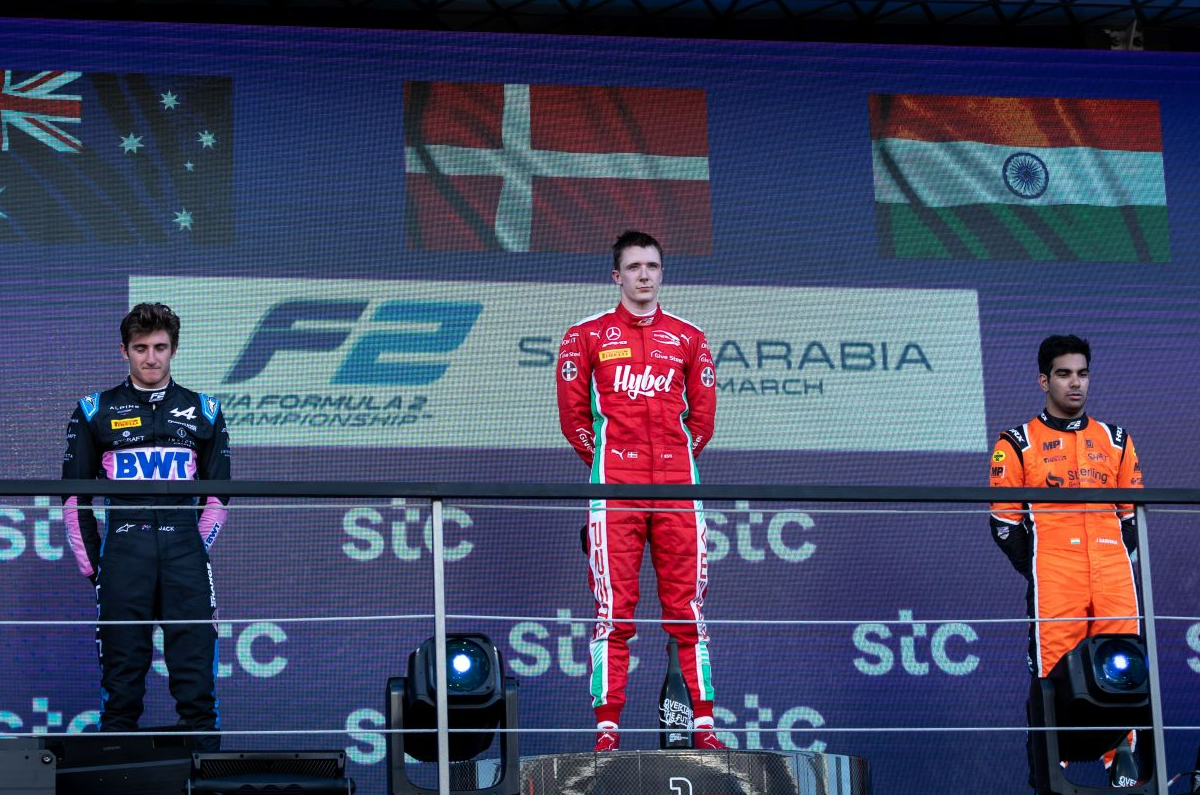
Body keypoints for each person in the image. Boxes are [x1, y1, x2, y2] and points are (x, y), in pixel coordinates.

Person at [557, 230, 722, 752]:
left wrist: (674, 462)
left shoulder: (690, 337)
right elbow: (574, 420)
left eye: (652, 265)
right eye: (634, 267)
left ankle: (704, 727)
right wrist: (611, 463)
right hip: (615, 491)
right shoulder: (584, 335)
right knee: (614, 613)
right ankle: (607, 732)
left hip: (678, 490)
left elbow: (703, 421)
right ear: (616, 276)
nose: (644, 275)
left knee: (688, 612)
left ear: (662, 273)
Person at [62, 303, 230, 750]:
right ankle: (115, 775)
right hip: (123, 553)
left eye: (160, 348)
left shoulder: (206, 410)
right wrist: (95, 568)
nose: (151, 358)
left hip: (185, 553)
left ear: (174, 349)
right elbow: (75, 499)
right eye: (141, 348)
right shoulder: (93, 409)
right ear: (124, 351)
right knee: (121, 687)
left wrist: (195, 546)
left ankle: (204, 775)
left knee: (196, 684)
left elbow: (218, 497)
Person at [989, 334, 1143, 788]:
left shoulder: (1115, 439)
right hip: (1055, 573)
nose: (1075, 383)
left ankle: (1123, 763)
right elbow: (1004, 524)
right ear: (1044, 380)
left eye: (1082, 373)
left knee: (1124, 667)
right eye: (1063, 374)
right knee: (1053, 669)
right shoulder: (1017, 442)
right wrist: (1042, 567)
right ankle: (1051, 768)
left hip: (1113, 571)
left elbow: (1131, 518)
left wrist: (1110, 558)